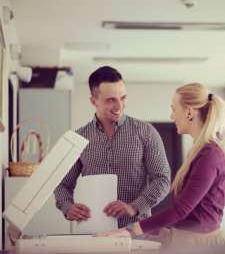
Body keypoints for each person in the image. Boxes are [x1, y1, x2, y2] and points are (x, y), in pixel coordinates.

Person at [98, 83, 225, 247]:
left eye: (174, 109)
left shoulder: (210, 155)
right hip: (189, 239)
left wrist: (130, 230)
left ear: (189, 112)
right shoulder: (201, 151)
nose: (171, 116)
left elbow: (180, 210)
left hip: (199, 245)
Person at [54, 66, 171, 228]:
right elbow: (62, 184)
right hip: (94, 231)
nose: (119, 106)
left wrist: (134, 207)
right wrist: (68, 207)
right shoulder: (79, 138)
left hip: (137, 231)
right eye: (111, 100)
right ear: (93, 101)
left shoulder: (146, 132)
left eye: (123, 98)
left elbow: (162, 180)